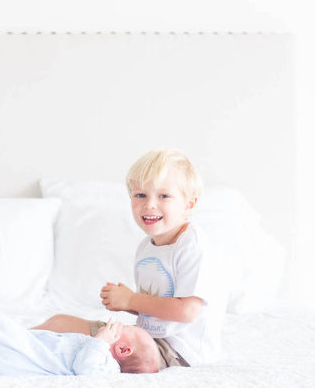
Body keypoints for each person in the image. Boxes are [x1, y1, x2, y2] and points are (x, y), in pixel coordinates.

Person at [41, 148, 225, 368]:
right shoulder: (147, 247)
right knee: (59, 323)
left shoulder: (192, 247)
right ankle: (12, 342)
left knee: (106, 350)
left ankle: (19, 350)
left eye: (164, 196)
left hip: (180, 352)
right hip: (150, 339)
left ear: (189, 204)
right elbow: (158, 306)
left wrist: (131, 300)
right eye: (140, 195)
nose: (149, 204)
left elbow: (187, 310)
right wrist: (126, 303)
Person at [0, 290, 161, 375]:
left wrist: (101, 340)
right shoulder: (104, 360)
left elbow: (86, 369)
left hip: (27, 356)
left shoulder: (106, 365)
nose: (114, 327)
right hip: (28, 350)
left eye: (123, 329)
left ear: (123, 349)